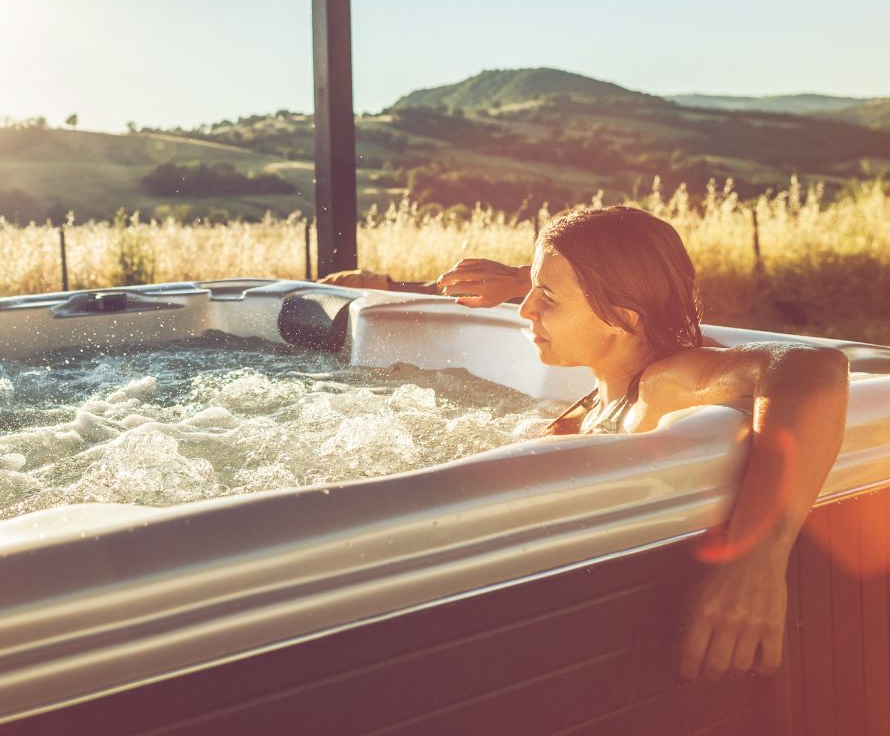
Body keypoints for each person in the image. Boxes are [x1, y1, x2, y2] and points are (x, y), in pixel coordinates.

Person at [321, 204, 849, 682]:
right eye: (528, 289)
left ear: (622, 317)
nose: (525, 310)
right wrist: (506, 281)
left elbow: (812, 366)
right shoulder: (609, 376)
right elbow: (597, 281)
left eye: (544, 297)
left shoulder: (662, 383)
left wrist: (756, 556)